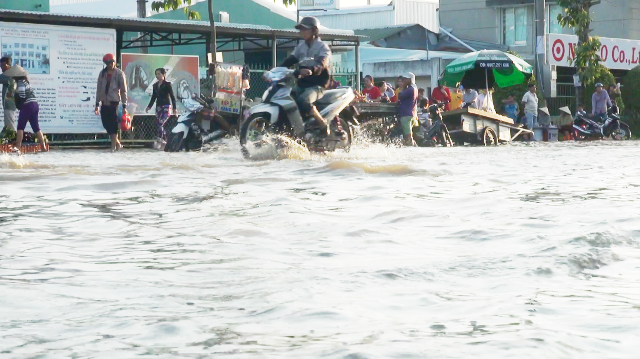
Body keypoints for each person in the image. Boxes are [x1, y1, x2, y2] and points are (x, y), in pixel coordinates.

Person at [281, 16, 334, 134]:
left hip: (317, 86)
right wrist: (274, 70)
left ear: (314, 30)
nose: (302, 32)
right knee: (285, 98)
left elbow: (322, 64)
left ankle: (322, 124)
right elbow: (289, 61)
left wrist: (312, 70)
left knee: (304, 101)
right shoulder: (301, 46)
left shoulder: (322, 47)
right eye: (301, 29)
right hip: (302, 85)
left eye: (305, 29)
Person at [3, 65, 47, 152]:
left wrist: (19, 104)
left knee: (20, 127)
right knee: (36, 127)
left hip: (28, 105)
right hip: (35, 105)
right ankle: (43, 147)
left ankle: (18, 146)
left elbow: (22, 95)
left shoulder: (20, 83)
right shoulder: (26, 82)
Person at [95, 53, 128, 151]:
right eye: (108, 63)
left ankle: (113, 146)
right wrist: (97, 104)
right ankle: (118, 144)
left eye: (111, 62)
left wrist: (124, 105)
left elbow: (123, 90)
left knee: (113, 125)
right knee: (106, 124)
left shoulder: (119, 73)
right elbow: (99, 89)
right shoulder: (102, 73)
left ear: (114, 62)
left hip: (114, 102)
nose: (110, 65)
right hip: (104, 102)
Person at [146, 68, 177, 143]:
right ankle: (164, 140)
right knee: (158, 125)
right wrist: (149, 106)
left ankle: (161, 139)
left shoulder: (167, 84)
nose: (157, 75)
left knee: (160, 123)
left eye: (159, 74)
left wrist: (174, 108)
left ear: (163, 74)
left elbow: (172, 97)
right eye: (156, 74)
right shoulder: (155, 85)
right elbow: (153, 97)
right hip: (158, 106)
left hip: (166, 106)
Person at [397, 72, 418, 146]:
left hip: (406, 114)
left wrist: (402, 88)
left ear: (410, 79)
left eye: (405, 79)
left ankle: (411, 151)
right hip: (411, 114)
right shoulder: (414, 88)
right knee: (409, 134)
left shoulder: (410, 89)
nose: (404, 81)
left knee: (408, 136)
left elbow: (400, 95)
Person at [0, 56, 16, 132]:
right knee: (8, 128)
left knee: (11, 129)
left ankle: (15, 142)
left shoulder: (9, 74)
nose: (1, 68)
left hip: (9, 105)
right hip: (9, 105)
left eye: (2, 66)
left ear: (7, 65)